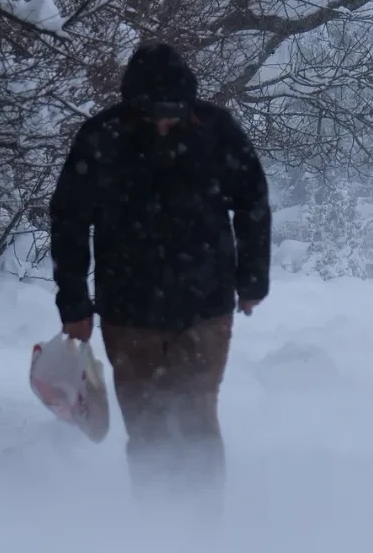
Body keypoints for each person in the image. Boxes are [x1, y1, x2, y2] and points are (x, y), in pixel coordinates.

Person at [48, 41, 271, 510]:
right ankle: (156, 524)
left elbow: (252, 203)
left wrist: (252, 280)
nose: (164, 125)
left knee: (197, 417)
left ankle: (204, 524)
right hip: (129, 310)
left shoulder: (217, 131)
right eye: (154, 114)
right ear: (133, 106)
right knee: (146, 423)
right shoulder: (102, 137)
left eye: (173, 113)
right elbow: (69, 221)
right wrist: (74, 304)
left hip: (205, 307)